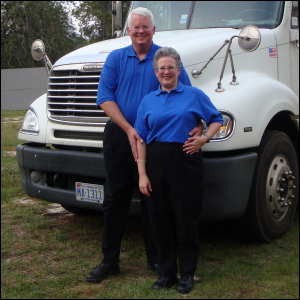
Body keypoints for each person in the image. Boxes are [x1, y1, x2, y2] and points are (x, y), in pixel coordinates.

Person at [86, 7, 203, 283]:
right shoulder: (116, 58)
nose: (140, 31)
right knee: (115, 198)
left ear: (153, 30)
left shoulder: (166, 58)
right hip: (119, 135)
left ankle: (158, 262)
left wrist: (198, 122)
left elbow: (186, 92)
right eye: (135, 27)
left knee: (154, 200)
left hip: (155, 140)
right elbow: (104, 97)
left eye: (145, 27)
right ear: (129, 31)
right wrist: (128, 129)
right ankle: (109, 261)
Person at [134, 47, 223, 293]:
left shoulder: (194, 95)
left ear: (178, 70)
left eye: (170, 67)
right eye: (161, 68)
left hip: (185, 159)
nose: (166, 72)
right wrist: (142, 173)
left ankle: (187, 273)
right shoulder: (147, 101)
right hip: (155, 161)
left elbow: (217, 119)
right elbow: (141, 138)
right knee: (159, 219)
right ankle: (166, 274)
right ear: (155, 72)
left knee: (186, 218)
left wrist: (204, 138)